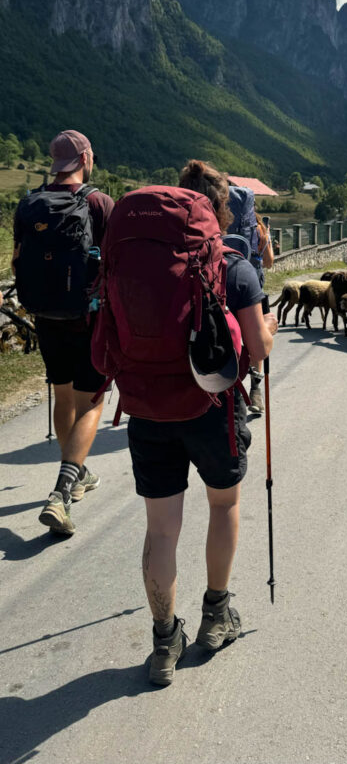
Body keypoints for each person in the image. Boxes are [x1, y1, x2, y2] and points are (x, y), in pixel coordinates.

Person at [126, 160, 278, 685]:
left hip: (146, 405)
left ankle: (165, 641)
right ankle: (217, 615)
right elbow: (255, 353)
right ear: (217, 210)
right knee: (223, 504)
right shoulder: (233, 265)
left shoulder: (139, 260)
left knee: (161, 528)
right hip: (212, 409)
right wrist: (270, 329)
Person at [12, 130, 114, 536]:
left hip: (45, 315)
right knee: (92, 403)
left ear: (54, 163)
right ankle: (60, 494)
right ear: (86, 158)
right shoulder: (99, 203)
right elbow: (116, 266)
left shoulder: (29, 204)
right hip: (88, 317)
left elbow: (19, 260)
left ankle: (78, 471)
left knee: (64, 393)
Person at [248, 213, 275, 415]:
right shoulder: (258, 228)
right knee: (257, 336)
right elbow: (268, 262)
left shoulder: (211, 222)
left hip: (217, 288)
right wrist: (268, 240)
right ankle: (255, 390)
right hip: (251, 290)